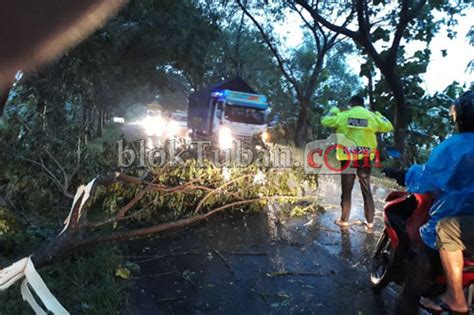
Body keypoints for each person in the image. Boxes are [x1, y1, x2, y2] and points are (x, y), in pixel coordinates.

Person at [389, 90, 474, 314]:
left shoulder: (454, 146)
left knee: (410, 292)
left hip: (460, 224)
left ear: (461, 116)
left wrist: (404, 174)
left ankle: (454, 298)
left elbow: (427, 179)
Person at [321, 95, 393, 229]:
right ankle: (370, 222)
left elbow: (325, 121)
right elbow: (388, 125)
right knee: (366, 188)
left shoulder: (344, 115)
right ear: (363, 104)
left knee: (347, 190)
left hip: (348, 156)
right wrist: (378, 114)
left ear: (351, 104)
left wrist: (334, 110)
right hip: (365, 157)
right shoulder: (372, 116)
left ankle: (344, 220)